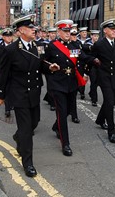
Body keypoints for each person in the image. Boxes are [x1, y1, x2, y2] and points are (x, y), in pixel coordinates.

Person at [0, 14, 59, 177]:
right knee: (26, 130)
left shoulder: (37, 47)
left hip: (34, 92)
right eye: (31, 28)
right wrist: (1, 94)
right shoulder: (11, 50)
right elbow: (3, 73)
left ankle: (18, 138)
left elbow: (40, 65)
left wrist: (50, 68)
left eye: (34, 28)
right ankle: (28, 163)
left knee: (34, 123)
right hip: (19, 94)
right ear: (21, 30)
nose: (34, 30)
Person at [44, 19, 98, 156]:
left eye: (69, 31)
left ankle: (56, 127)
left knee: (68, 110)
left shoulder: (75, 45)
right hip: (58, 84)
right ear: (59, 32)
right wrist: (50, 68)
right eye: (65, 31)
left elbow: (83, 57)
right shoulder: (52, 46)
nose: (68, 34)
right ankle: (65, 144)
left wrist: (95, 60)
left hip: (71, 83)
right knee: (62, 113)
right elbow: (43, 63)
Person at [85, 30, 100, 106]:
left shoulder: (100, 44)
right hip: (91, 66)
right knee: (93, 82)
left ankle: (91, 92)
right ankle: (94, 100)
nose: (96, 37)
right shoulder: (88, 44)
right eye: (94, 36)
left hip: (100, 66)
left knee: (97, 82)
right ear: (91, 36)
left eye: (97, 36)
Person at [77, 27, 92, 100]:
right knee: (80, 77)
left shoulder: (89, 41)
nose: (84, 34)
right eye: (83, 32)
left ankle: (82, 91)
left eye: (85, 32)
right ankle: (81, 91)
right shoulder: (77, 41)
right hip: (80, 62)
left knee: (86, 77)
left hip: (88, 62)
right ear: (80, 33)